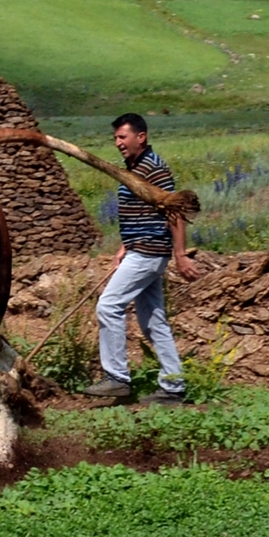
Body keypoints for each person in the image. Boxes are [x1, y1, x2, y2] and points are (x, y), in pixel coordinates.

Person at [83, 113, 201, 405]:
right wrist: (125, 245)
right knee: (153, 322)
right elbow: (144, 212)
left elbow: (174, 211)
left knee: (109, 306)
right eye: (115, 139)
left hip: (148, 252)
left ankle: (117, 379)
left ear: (141, 137)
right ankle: (174, 387)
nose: (118, 143)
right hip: (140, 249)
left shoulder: (154, 169)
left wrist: (181, 254)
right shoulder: (135, 168)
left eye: (122, 137)